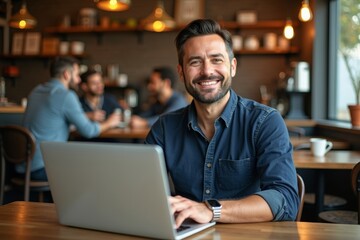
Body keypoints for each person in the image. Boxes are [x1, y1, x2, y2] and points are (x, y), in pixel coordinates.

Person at [145, 19, 299, 227]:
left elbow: (286, 200)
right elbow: (144, 192)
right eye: (195, 62)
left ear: (232, 66)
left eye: (216, 60)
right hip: (186, 233)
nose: (207, 71)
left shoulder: (265, 121)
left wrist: (211, 210)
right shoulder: (164, 128)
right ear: (181, 72)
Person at [21, 57, 121, 181]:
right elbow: (89, 131)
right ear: (67, 74)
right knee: (96, 170)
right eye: (77, 74)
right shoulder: (66, 95)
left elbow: (54, 117)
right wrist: (109, 123)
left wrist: (86, 116)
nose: (79, 80)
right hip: (45, 166)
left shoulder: (36, 91)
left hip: (24, 164)